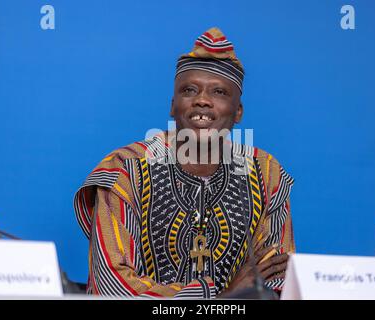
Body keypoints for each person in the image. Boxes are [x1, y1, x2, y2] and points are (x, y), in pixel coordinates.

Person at [74, 27, 295, 298]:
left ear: (238, 112)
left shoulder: (266, 173)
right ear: (172, 104)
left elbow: (276, 280)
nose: (202, 100)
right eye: (190, 90)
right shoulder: (125, 170)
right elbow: (113, 286)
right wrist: (219, 298)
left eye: (219, 92)